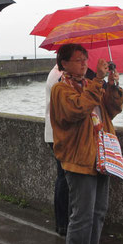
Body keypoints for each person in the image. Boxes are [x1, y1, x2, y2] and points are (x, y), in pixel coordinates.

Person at [50, 43, 123, 244]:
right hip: (78, 159)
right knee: (82, 213)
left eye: (86, 59)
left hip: (100, 156)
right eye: (78, 59)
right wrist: (98, 81)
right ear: (64, 64)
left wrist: (112, 85)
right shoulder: (61, 89)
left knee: (98, 211)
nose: (84, 63)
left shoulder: (91, 85)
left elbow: (111, 111)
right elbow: (76, 110)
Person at [44, 64, 68, 235]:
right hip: (59, 133)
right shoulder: (59, 76)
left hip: (54, 132)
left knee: (63, 178)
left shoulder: (56, 73)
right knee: (65, 179)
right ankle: (63, 223)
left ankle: (62, 224)